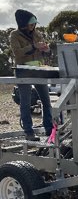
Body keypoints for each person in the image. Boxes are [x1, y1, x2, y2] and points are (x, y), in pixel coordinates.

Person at [9, 10, 53, 140]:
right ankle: (29, 132)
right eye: (31, 23)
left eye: (34, 23)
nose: (33, 26)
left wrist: (47, 50)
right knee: (26, 103)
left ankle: (49, 130)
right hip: (23, 71)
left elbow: (46, 51)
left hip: (39, 71)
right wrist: (33, 47)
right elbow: (17, 53)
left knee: (46, 101)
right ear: (23, 23)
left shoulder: (37, 34)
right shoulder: (14, 35)